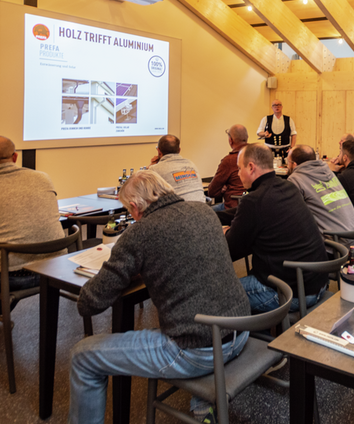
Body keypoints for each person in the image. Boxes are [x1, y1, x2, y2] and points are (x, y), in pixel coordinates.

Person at [69, 170, 250, 424]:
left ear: (134, 206)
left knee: (83, 355)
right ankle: (202, 404)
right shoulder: (204, 212)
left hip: (197, 350)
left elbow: (89, 303)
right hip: (240, 333)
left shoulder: (140, 232)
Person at [0, 136, 66, 320]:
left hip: (12, 277)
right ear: (15, 157)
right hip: (57, 268)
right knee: (1, 253)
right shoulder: (43, 178)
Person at [225, 143, 329, 312]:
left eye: (239, 168)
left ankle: (253, 332)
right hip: (317, 283)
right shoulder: (287, 186)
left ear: (251, 167)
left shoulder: (254, 201)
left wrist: (226, 232)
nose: (238, 174)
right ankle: (263, 331)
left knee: (215, 294)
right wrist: (214, 215)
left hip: (290, 293)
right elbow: (245, 212)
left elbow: (229, 250)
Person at [286, 144, 354, 233]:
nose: (287, 165)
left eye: (288, 161)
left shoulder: (296, 179)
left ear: (294, 164)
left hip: (336, 242)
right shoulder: (329, 172)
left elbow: (293, 217)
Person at [148, 134, 204, 202]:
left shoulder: (154, 169)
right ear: (179, 150)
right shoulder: (191, 164)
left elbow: (144, 194)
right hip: (203, 209)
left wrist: (150, 167)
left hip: (177, 211)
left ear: (159, 151)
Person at [207, 124, 248, 211]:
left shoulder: (229, 160)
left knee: (205, 213)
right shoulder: (257, 154)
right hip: (256, 207)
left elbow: (212, 192)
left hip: (234, 208)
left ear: (230, 140)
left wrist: (223, 189)